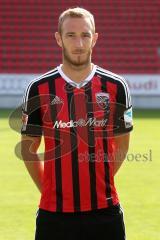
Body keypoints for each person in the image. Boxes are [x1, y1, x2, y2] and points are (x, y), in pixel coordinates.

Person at [21, 7, 133, 240]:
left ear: (95, 38)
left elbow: (122, 145)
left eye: (85, 35)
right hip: (54, 215)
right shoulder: (38, 89)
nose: (79, 44)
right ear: (58, 38)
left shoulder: (117, 86)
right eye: (71, 35)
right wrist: (50, 190)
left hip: (105, 212)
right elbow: (28, 150)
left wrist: (98, 184)